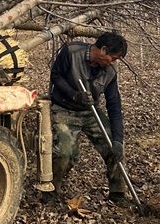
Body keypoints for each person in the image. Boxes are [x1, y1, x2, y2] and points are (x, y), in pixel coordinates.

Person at [49, 29, 130, 206]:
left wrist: (117, 140)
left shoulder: (110, 73)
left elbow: (114, 106)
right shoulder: (71, 52)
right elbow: (56, 76)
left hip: (90, 111)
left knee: (115, 150)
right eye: (113, 58)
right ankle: (51, 192)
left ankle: (118, 194)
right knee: (64, 153)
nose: (113, 63)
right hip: (63, 109)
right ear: (103, 50)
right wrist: (73, 95)